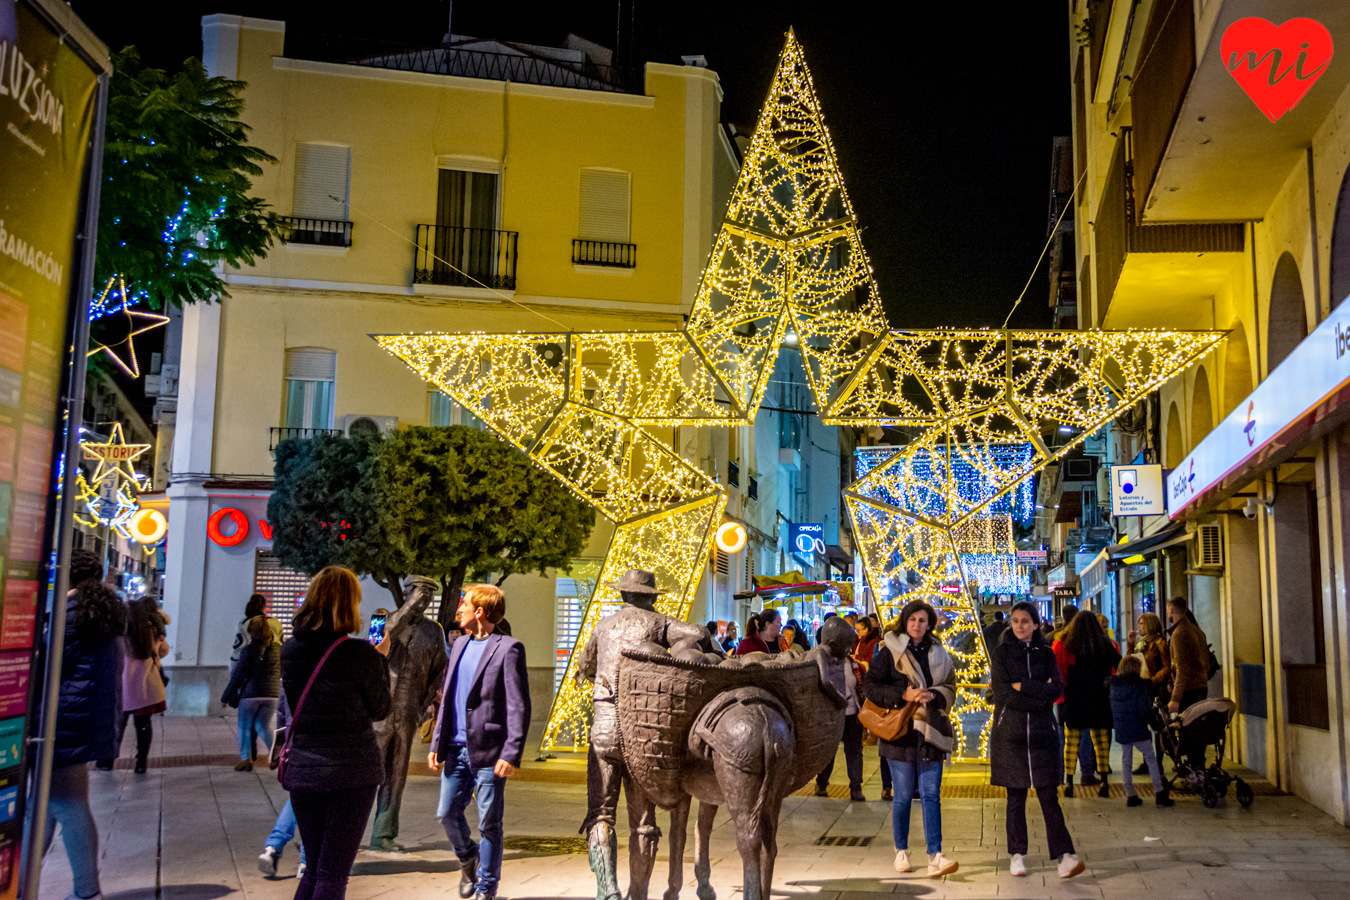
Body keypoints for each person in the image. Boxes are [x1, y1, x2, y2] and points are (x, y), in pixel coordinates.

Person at [577, 569, 713, 900]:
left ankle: (607, 890)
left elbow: (586, 667)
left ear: (624, 595)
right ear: (650, 597)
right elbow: (697, 632)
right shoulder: (660, 623)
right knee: (642, 820)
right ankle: (639, 893)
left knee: (600, 813)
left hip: (605, 729)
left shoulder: (603, 626)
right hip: (642, 731)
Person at [21, 550, 128, 900]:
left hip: (62, 721)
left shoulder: (72, 616)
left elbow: (49, 667)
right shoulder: (100, 613)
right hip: (80, 719)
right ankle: (21, 883)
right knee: (46, 808)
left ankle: (86, 890)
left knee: (68, 805)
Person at [281, 566, 391, 900]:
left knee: (314, 867)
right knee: (332, 874)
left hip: (304, 768)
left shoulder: (290, 649)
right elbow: (380, 709)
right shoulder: (359, 654)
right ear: (349, 604)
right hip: (351, 771)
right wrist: (380, 660)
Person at [429, 584, 529, 900]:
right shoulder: (458, 646)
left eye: (465, 605)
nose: (460, 610)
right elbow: (446, 699)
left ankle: (487, 886)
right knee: (446, 813)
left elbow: (519, 705)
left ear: (480, 612)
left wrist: (511, 752)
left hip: (489, 751)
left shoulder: (509, 648)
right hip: (456, 748)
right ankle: (468, 856)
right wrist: (436, 743)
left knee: (489, 823)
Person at [989, 602, 1083, 879]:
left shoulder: (1046, 653)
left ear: (1035, 623)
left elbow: (1056, 689)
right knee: (1015, 798)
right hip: (1011, 735)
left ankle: (1065, 855)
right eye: (1015, 621)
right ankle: (1017, 855)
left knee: (1049, 797)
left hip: (1042, 735)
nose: (1020, 626)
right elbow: (1002, 692)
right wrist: (1038, 699)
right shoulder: (1002, 653)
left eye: (1025, 621)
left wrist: (1027, 687)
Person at [864, 600, 958, 878]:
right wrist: (903, 695)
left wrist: (935, 695)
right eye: (912, 619)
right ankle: (901, 851)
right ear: (905, 622)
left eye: (922, 620)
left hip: (931, 732)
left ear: (930, 623)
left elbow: (950, 684)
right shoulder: (889, 650)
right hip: (901, 733)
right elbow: (870, 686)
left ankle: (935, 856)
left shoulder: (939, 652)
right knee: (903, 796)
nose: (917, 624)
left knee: (931, 796)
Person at [370, 576, 449, 852]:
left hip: (407, 710)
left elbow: (439, 670)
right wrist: (407, 609)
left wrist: (424, 705)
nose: (423, 601)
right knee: (367, 774)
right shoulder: (381, 617)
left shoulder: (434, 631)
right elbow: (373, 648)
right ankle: (347, 829)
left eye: (428, 597)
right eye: (418, 594)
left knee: (396, 776)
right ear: (406, 593)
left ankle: (383, 835)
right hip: (377, 711)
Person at [1053, 608, 1119, 797]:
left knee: (1071, 742)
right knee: (1101, 741)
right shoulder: (1104, 644)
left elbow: (1057, 670)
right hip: (1099, 699)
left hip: (1074, 700)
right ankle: (1104, 782)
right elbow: (1119, 663)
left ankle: (1069, 783)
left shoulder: (1066, 643)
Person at [1109, 656, 1173, 808]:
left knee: (1126, 761)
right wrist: (1155, 724)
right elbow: (1144, 710)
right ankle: (1159, 791)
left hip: (1122, 728)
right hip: (1138, 728)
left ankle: (1130, 795)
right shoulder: (1139, 686)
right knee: (1151, 758)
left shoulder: (1114, 686)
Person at [221, 615, 281, 771]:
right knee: (263, 726)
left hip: (250, 694)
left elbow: (238, 675)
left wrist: (226, 697)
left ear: (251, 632)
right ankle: (278, 754)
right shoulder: (278, 649)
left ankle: (245, 760)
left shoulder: (248, 650)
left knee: (244, 726)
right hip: (272, 694)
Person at [814, 619, 865, 801]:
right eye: (847, 645)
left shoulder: (853, 665)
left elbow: (861, 689)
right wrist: (839, 700)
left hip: (852, 716)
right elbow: (824, 683)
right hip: (832, 716)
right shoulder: (820, 659)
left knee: (854, 752)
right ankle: (821, 783)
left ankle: (856, 787)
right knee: (829, 752)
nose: (849, 649)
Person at [122, 597, 170, 774]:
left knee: (118, 724)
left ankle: (107, 760)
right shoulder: (150, 631)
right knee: (143, 725)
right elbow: (163, 650)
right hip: (146, 686)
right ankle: (141, 762)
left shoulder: (122, 633)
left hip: (125, 686)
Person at [1166, 597, 1211, 769]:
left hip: (1187, 692)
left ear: (1172, 611)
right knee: (1197, 730)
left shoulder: (1179, 634)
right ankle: (1197, 766)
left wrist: (1175, 698)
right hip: (1201, 688)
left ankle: (1191, 768)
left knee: (1182, 730)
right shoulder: (1197, 631)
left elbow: (1183, 668)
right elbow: (1205, 663)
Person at [1126, 612, 1170, 775]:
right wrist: (1130, 645)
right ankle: (1147, 762)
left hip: (1155, 690)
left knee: (1157, 727)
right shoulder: (1140, 643)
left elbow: (1167, 668)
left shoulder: (1160, 643)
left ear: (1150, 625)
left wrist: (1153, 680)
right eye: (1138, 623)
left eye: (1142, 623)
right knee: (1143, 727)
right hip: (1142, 689)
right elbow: (1130, 663)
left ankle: (1157, 764)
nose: (1139, 626)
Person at [232, 593, 282, 671]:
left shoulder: (243, 622)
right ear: (263, 607)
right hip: (265, 668)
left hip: (237, 662)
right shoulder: (272, 623)